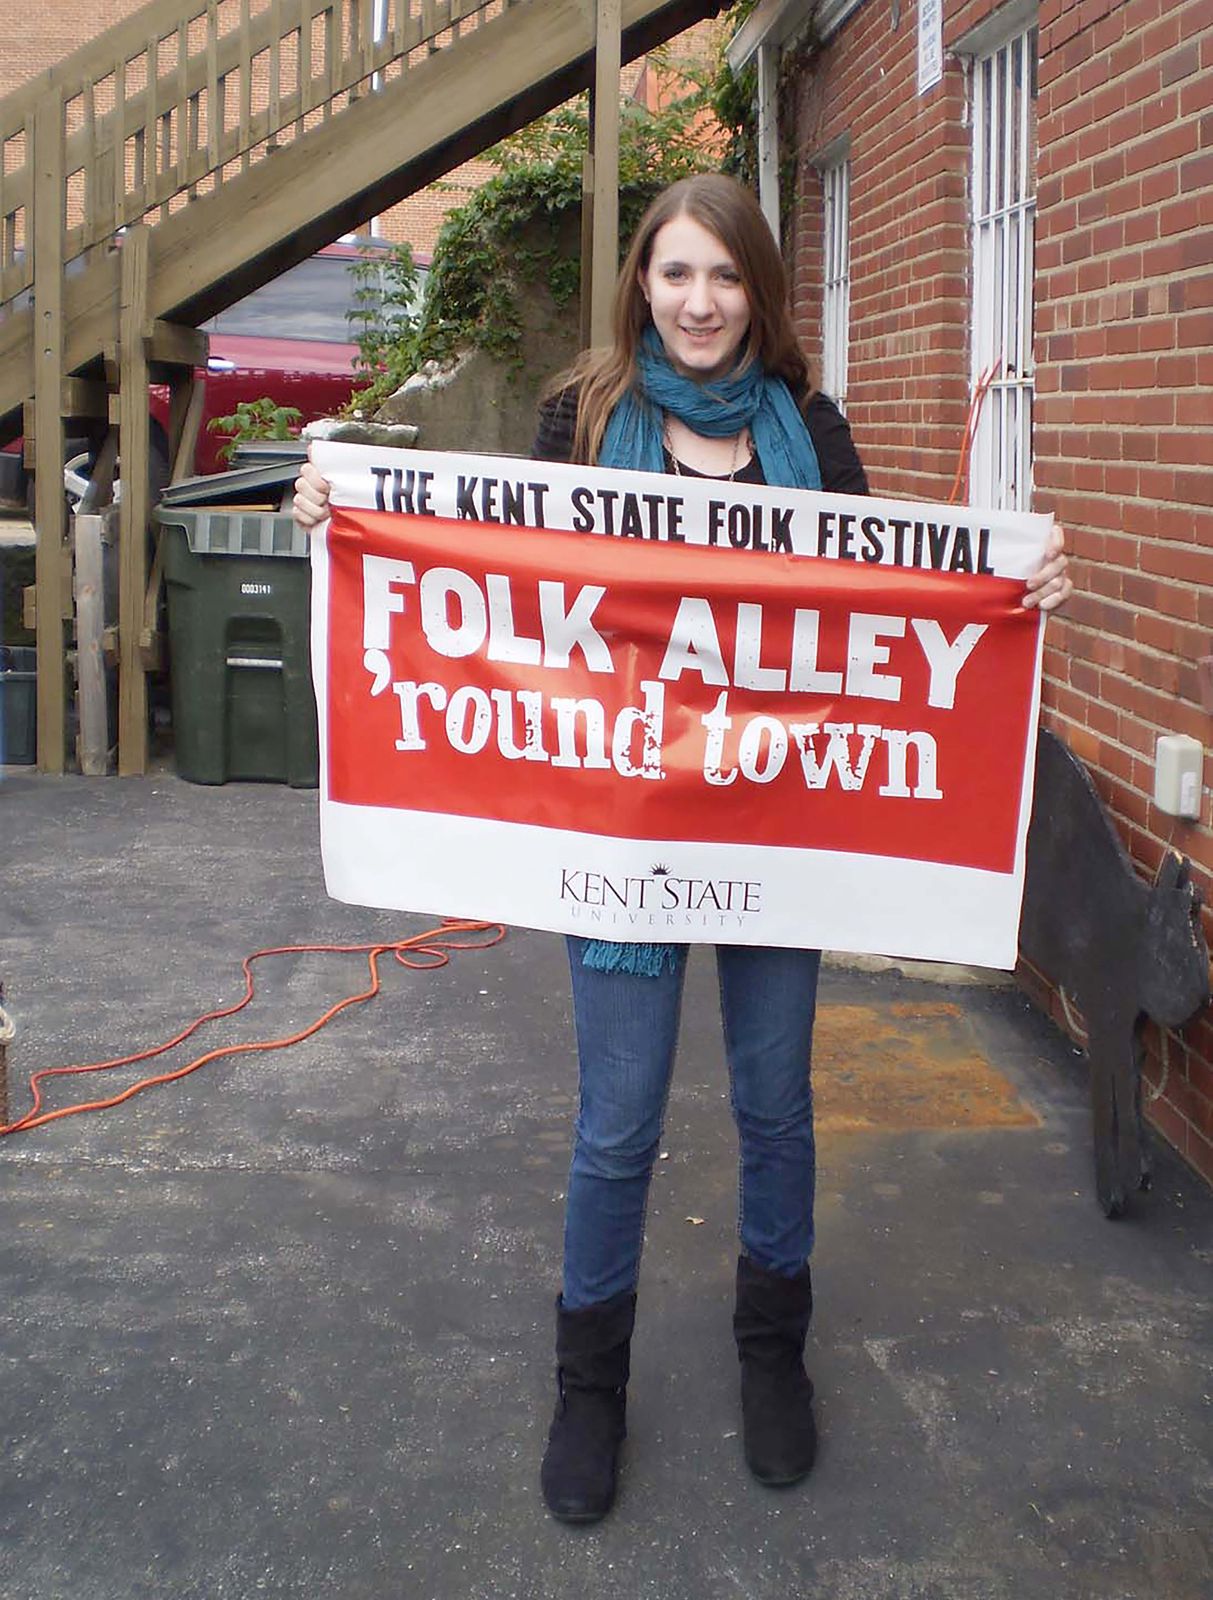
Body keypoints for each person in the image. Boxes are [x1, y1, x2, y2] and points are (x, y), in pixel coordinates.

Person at [293, 173, 1072, 1526]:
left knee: (776, 1110)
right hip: (625, 835)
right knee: (617, 1127)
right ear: (640, 286)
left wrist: (1013, 587)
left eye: (724, 276)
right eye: (675, 274)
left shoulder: (810, 432)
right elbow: (485, 574)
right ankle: (586, 1387)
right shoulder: (582, 421)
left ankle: (774, 1356)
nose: (699, 302)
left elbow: (888, 606)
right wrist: (345, 514)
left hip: (778, 831)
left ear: (757, 291)